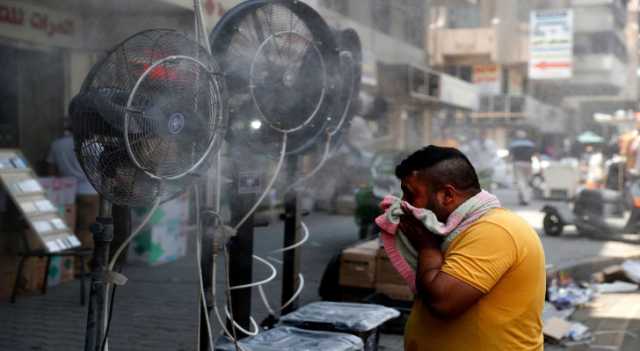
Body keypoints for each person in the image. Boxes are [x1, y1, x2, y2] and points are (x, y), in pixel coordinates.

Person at [396, 146, 545, 351]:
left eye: (411, 195)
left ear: (447, 195)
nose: (404, 204)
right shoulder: (465, 228)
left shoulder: (494, 229)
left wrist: (426, 247)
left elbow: (443, 301)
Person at [47, 118, 99, 249]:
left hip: (65, 192)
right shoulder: (92, 145)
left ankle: (67, 263)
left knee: (66, 228)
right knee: (86, 228)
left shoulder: (57, 145)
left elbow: (51, 171)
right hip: (89, 191)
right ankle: (82, 262)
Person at [509, 130, 536, 205]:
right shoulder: (530, 144)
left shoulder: (514, 144)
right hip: (528, 163)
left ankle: (525, 198)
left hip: (518, 163)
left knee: (520, 181)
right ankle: (524, 197)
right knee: (527, 182)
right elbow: (535, 154)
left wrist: (509, 164)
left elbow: (510, 156)